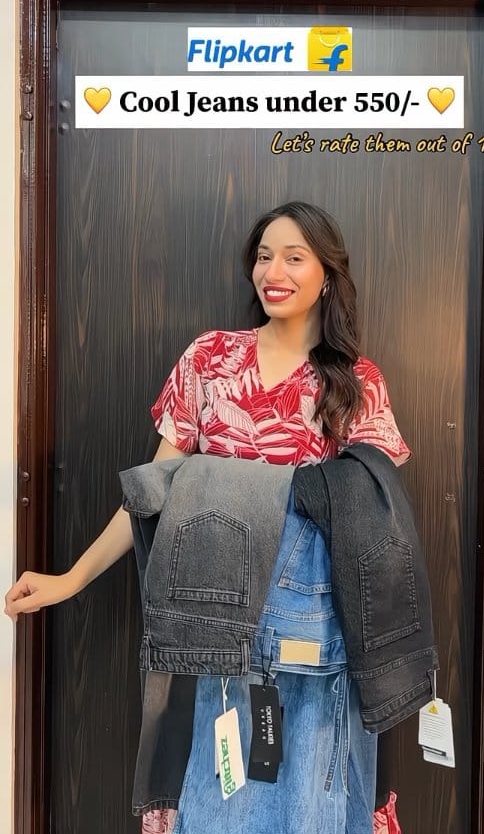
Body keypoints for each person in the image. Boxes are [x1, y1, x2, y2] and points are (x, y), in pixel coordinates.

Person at [4, 200, 411, 834]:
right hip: (214, 628)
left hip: (315, 638)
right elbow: (154, 495)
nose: (273, 272)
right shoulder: (211, 360)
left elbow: (375, 523)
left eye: (294, 258)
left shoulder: (356, 384)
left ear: (327, 275)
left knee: (311, 806)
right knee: (221, 802)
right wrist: (70, 578)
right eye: (264, 256)